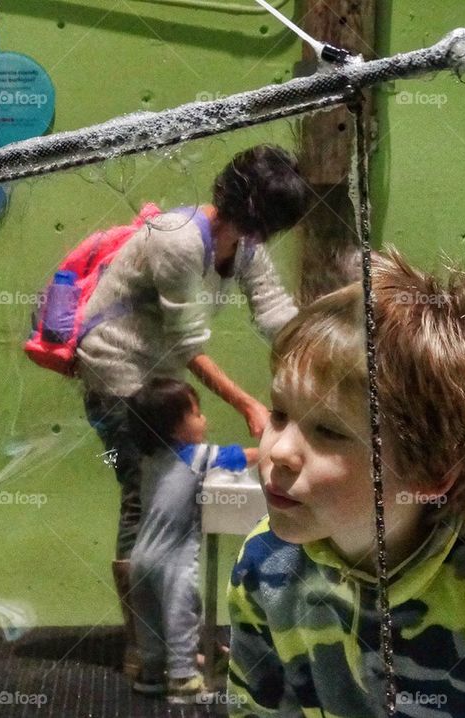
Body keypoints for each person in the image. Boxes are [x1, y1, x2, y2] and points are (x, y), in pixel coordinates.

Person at [227, 249, 465, 717]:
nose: (280, 450)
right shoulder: (265, 563)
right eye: (279, 413)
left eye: (328, 431)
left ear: (431, 475)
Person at [77, 145, 309, 677]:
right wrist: (249, 402)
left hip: (156, 376)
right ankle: (144, 647)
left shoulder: (245, 246)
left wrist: (317, 364)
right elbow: (188, 343)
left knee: (162, 497)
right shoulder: (178, 240)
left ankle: (172, 637)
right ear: (258, 215)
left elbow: (276, 312)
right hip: (113, 374)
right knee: (142, 498)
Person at [126, 378, 258, 703]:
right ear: (175, 428)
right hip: (173, 560)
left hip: (139, 558)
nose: (204, 420)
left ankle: (151, 676)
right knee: (180, 615)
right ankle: (184, 678)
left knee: (150, 622)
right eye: (197, 414)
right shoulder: (196, 457)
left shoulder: (150, 460)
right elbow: (245, 456)